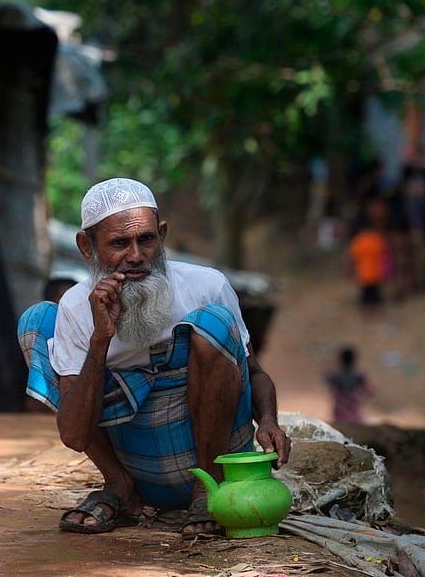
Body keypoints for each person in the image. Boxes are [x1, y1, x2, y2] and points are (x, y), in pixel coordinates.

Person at [17, 178, 291, 538]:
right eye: (118, 243)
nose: (135, 256)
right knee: (36, 322)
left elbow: (254, 372)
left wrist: (269, 419)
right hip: (138, 461)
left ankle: (205, 492)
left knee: (213, 322)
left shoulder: (207, 286)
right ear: (87, 247)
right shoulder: (76, 308)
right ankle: (119, 486)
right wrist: (101, 339)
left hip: (215, 460)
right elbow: (73, 433)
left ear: (161, 234)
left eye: (146, 239)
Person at [347, 195, 390, 313]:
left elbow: (352, 259)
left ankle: (367, 314)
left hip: (364, 274)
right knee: (375, 296)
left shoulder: (358, 241)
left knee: (366, 297)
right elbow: (385, 255)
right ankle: (375, 313)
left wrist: (350, 272)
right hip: (376, 273)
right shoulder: (377, 239)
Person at [325, 346, 372, 424]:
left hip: (339, 412)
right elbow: (370, 389)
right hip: (353, 411)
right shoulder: (358, 376)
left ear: (341, 359)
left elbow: (328, 383)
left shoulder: (336, 375)